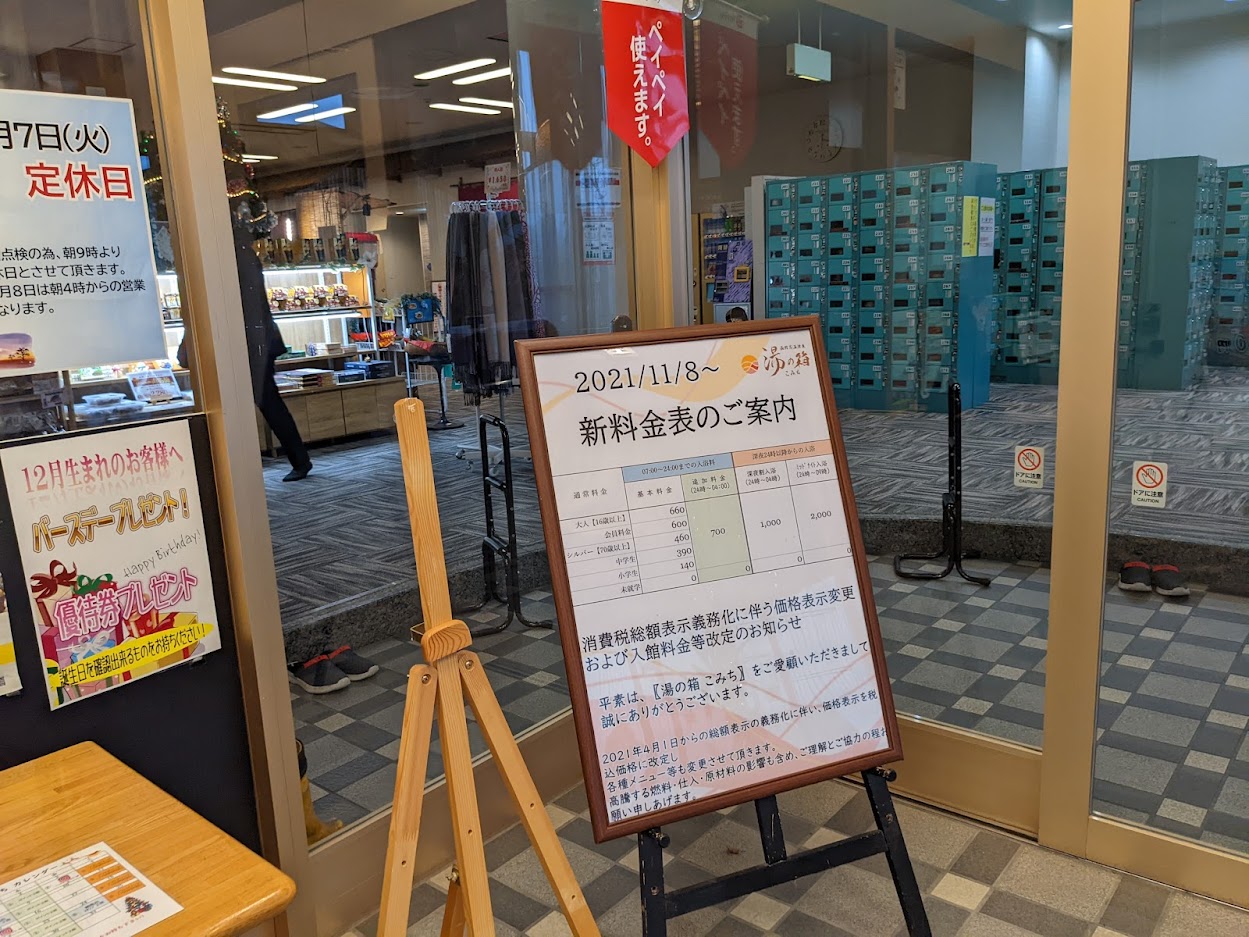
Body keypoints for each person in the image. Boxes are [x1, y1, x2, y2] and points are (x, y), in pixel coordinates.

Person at [234, 216, 313, 482]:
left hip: (252, 343)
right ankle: (299, 460)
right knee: (269, 401)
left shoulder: (236, 259)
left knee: (266, 402)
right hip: (260, 342)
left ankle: (297, 460)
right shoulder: (247, 256)